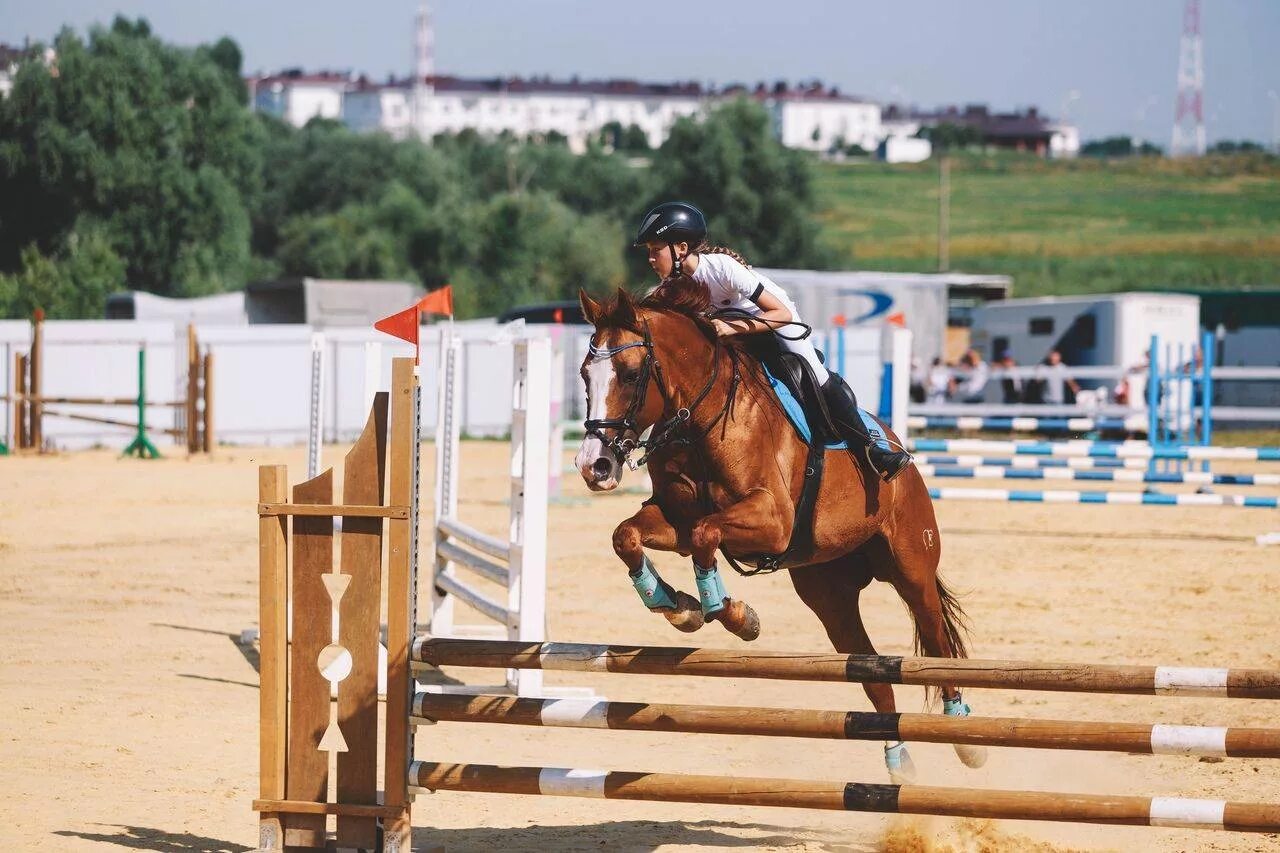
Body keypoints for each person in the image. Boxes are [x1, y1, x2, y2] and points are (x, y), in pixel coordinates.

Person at [633, 201, 912, 482]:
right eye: (649, 252)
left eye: (656, 250)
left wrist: (733, 327)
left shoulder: (723, 269)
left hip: (775, 323)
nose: (651, 259)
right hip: (736, 335)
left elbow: (782, 313)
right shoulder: (671, 288)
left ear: (681, 248)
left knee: (814, 374)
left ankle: (872, 449)